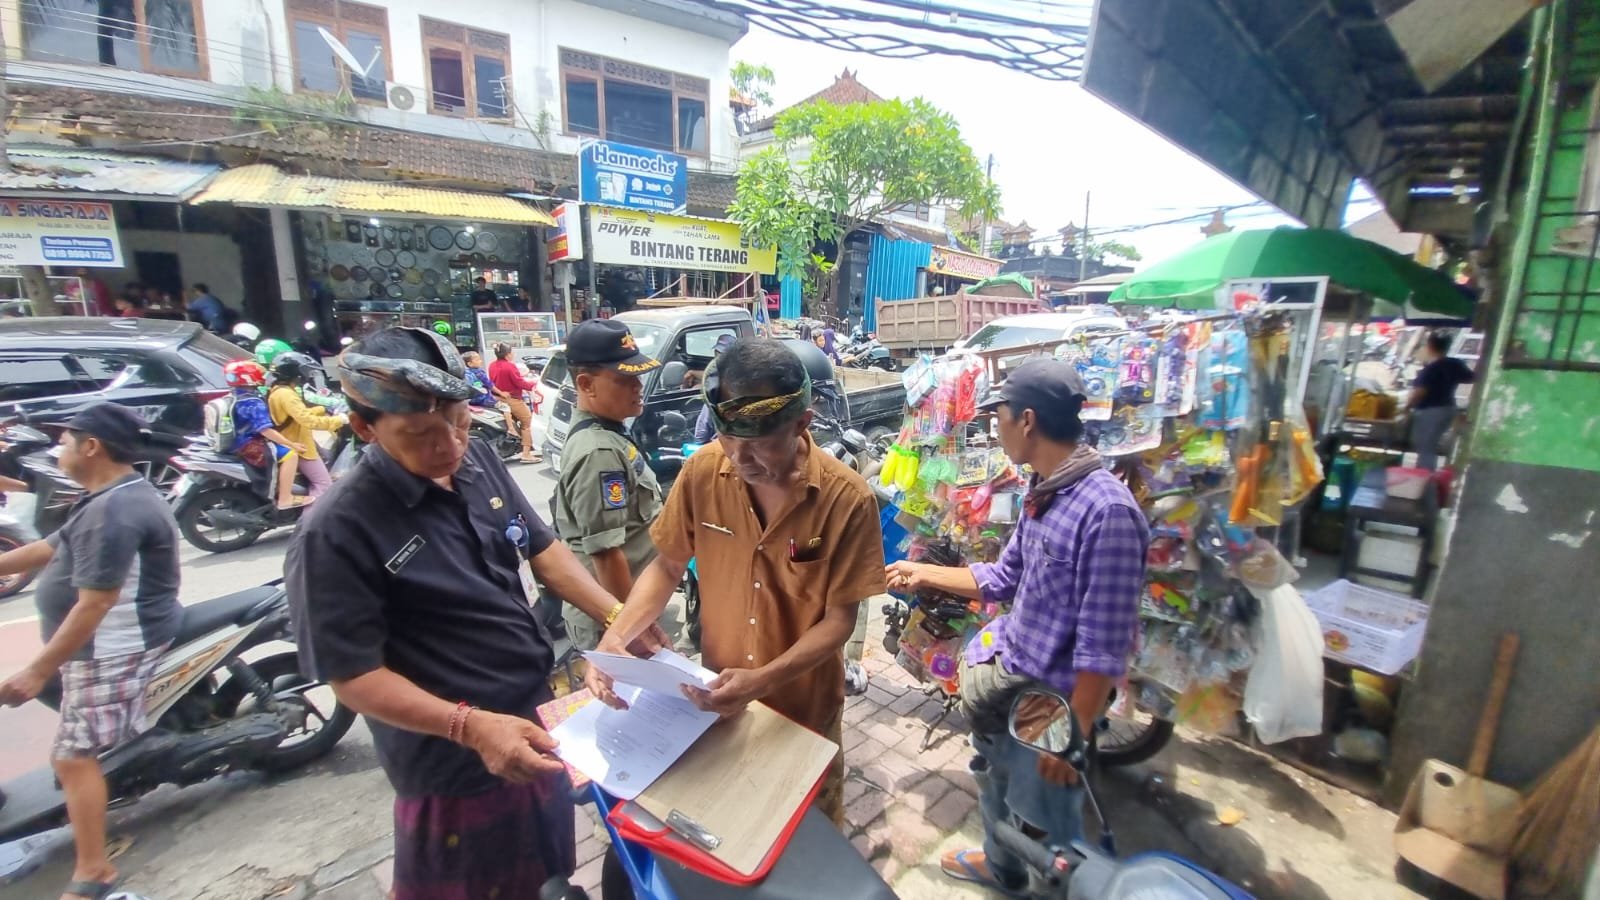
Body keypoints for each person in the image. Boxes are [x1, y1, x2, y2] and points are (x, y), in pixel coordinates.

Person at [285, 326, 664, 900]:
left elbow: (543, 551)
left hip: (534, 724)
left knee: (548, 877)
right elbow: (352, 676)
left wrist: (619, 619)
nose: (449, 446)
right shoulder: (335, 530)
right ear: (364, 427)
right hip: (456, 764)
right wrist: (471, 726)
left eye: (459, 423)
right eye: (421, 435)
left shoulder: (477, 459)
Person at [588, 338, 887, 825]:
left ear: (802, 424)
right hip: (717, 696)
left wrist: (763, 681)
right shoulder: (704, 471)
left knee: (811, 830)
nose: (739, 458)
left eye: (758, 444)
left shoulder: (846, 500)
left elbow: (839, 621)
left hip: (804, 706)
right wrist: (615, 638)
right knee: (737, 820)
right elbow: (666, 566)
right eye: (729, 440)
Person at [883, 359, 1149, 894]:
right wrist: (922, 571)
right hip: (1010, 685)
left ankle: (1036, 881)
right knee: (995, 784)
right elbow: (1004, 577)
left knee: (1046, 829)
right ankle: (1001, 869)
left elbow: (1103, 648)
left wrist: (1069, 741)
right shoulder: (1045, 488)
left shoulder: (1108, 513)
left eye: (997, 416)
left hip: (1049, 706)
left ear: (1026, 420)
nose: (993, 429)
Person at [0, 404, 182, 900]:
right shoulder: (106, 497)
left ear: (91, 446)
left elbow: (96, 603)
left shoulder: (115, 511)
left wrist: (39, 670)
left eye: (62, 441)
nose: (57, 451)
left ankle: (94, 871)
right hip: (99, 642)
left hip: (113, 646)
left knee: (72, 757)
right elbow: (49, 548)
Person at [553, 320, 674, 650]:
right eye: (624, 379)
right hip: (613, 616)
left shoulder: (610, 433)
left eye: (637, 376)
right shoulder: (600, 451)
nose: (637, 385)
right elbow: (607, 554)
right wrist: (630, 630)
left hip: (627, 607)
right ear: (586, 384)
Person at [225, 360, 306, 510]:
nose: (263, 375)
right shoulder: (252, 401)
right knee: (290, 455)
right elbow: (265, 430)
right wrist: (291, 444)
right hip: (250, 444)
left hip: (236, 442)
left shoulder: (233, 395)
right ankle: (285, 498)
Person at [267, 352, 347, 502]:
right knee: (323, 485)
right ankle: (311, 520)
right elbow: (308, 421)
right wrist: (339, 420)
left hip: (294, 440)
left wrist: (322, 409)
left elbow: (295, 416)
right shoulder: (287, 395)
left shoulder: (278, 391)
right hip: (300, 446)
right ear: (295, 373)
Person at [1407, 332, 1475, 470]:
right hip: (1448, 409)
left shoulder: (1432, 368)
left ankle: (1424, 478)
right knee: (1433, 444)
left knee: (1425, 448)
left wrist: (1406, 407)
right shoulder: (1455, 364)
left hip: (1430, 411)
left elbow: (1420, 392)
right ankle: (1430, 476)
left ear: (1430, 345)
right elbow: (1471, 377)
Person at [488, 343, 541, 464]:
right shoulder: (510, 366)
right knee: (527, 423)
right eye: (512, 352)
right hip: (512, 399)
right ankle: (526, 453)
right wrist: (534, 384)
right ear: (507, 355)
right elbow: (520, 383)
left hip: (498, 398)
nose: (513, 354)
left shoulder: (492, 365)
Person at [691, 333, 736, 444]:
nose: (718, 357)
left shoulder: (716, 392)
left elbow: (701, 434)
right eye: (717, 353)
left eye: (721, 354)